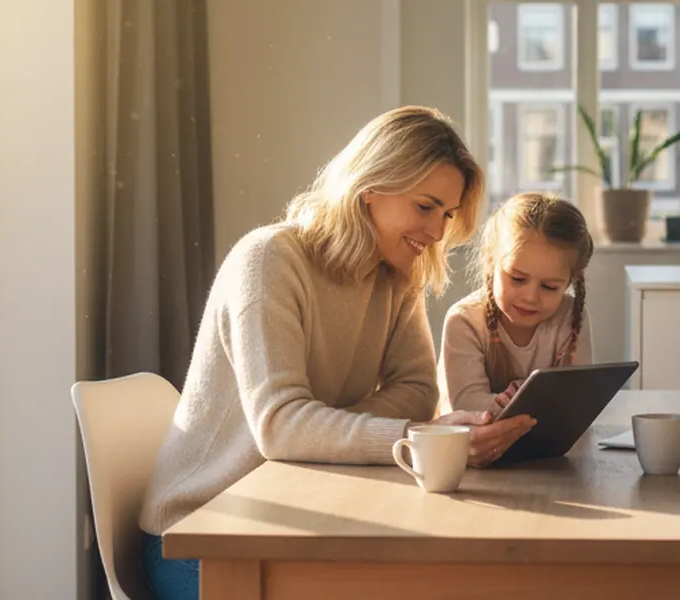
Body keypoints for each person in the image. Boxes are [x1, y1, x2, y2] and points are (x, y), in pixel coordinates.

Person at [136, 106, 536, 600]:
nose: (436, 232)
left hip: (286, 512)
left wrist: (322, 428)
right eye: (426, 206)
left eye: (447, 214)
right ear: (373, 187)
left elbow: (416, 391)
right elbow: (281, 427)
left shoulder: (397, 275)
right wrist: (419, 438)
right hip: (201, 529)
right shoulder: (268, 261)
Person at [436, 192, 595, 416]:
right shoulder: (464, 321)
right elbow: (466, 404)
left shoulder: (570, 317)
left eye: (549, 286)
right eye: (517, 279)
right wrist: (518, 401)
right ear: (491, 262)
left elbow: (579, 398)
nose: (530, 297)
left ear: (570, 282)